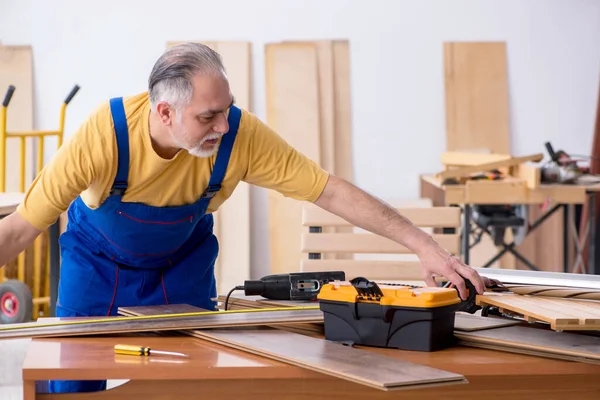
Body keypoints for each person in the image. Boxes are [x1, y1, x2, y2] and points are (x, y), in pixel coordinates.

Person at [0, 43, 488, 393]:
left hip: (180, 265)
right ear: (164, 112)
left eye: (226, 111)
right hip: (96, 266)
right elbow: (20, 228)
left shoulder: (239, 136)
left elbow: (330, 190)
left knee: (191, 381)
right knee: (69, 376)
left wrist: (425, 247)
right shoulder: (102, 136)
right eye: (207, 117)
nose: (222, 125)